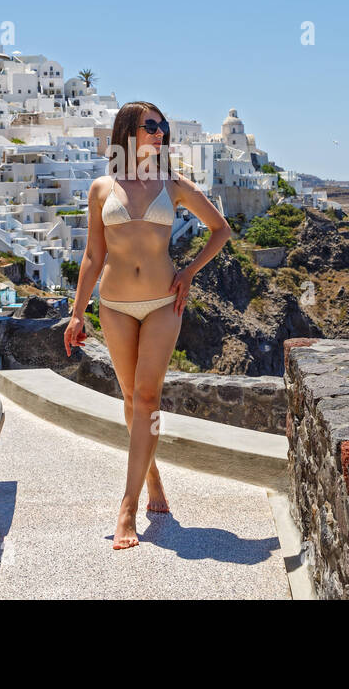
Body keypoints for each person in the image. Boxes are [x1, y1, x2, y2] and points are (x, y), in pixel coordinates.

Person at [64, 101, 231, 550]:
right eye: (151, 126)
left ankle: (127, 507)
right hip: (115, 306)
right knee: (131, 400)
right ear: (129, 132)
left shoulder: (172, 183)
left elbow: (221, 229)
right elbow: (93, 256)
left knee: (148, 397)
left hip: (162, 303)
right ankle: (153, 477)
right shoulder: (102, 188)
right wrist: (77, 312)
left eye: (164, 128)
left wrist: (190, 271)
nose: (160, 134)